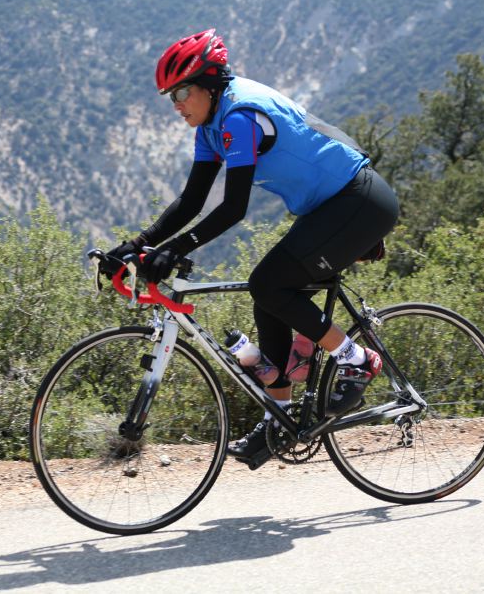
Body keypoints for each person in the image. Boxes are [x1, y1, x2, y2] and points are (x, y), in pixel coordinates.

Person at [106, 29, 399, 470]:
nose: (177, 104)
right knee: (269, 298)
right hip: (331, 207)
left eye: (182, 92)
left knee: (269, 283)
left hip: (359, 201)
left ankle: (356, 359)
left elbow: (234, 207)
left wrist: (173, 249)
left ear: (209, 85)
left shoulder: (239, 116)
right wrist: (136, 246)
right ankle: (276, 419)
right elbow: (191, 200)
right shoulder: (210, 126)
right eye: (171, 97)